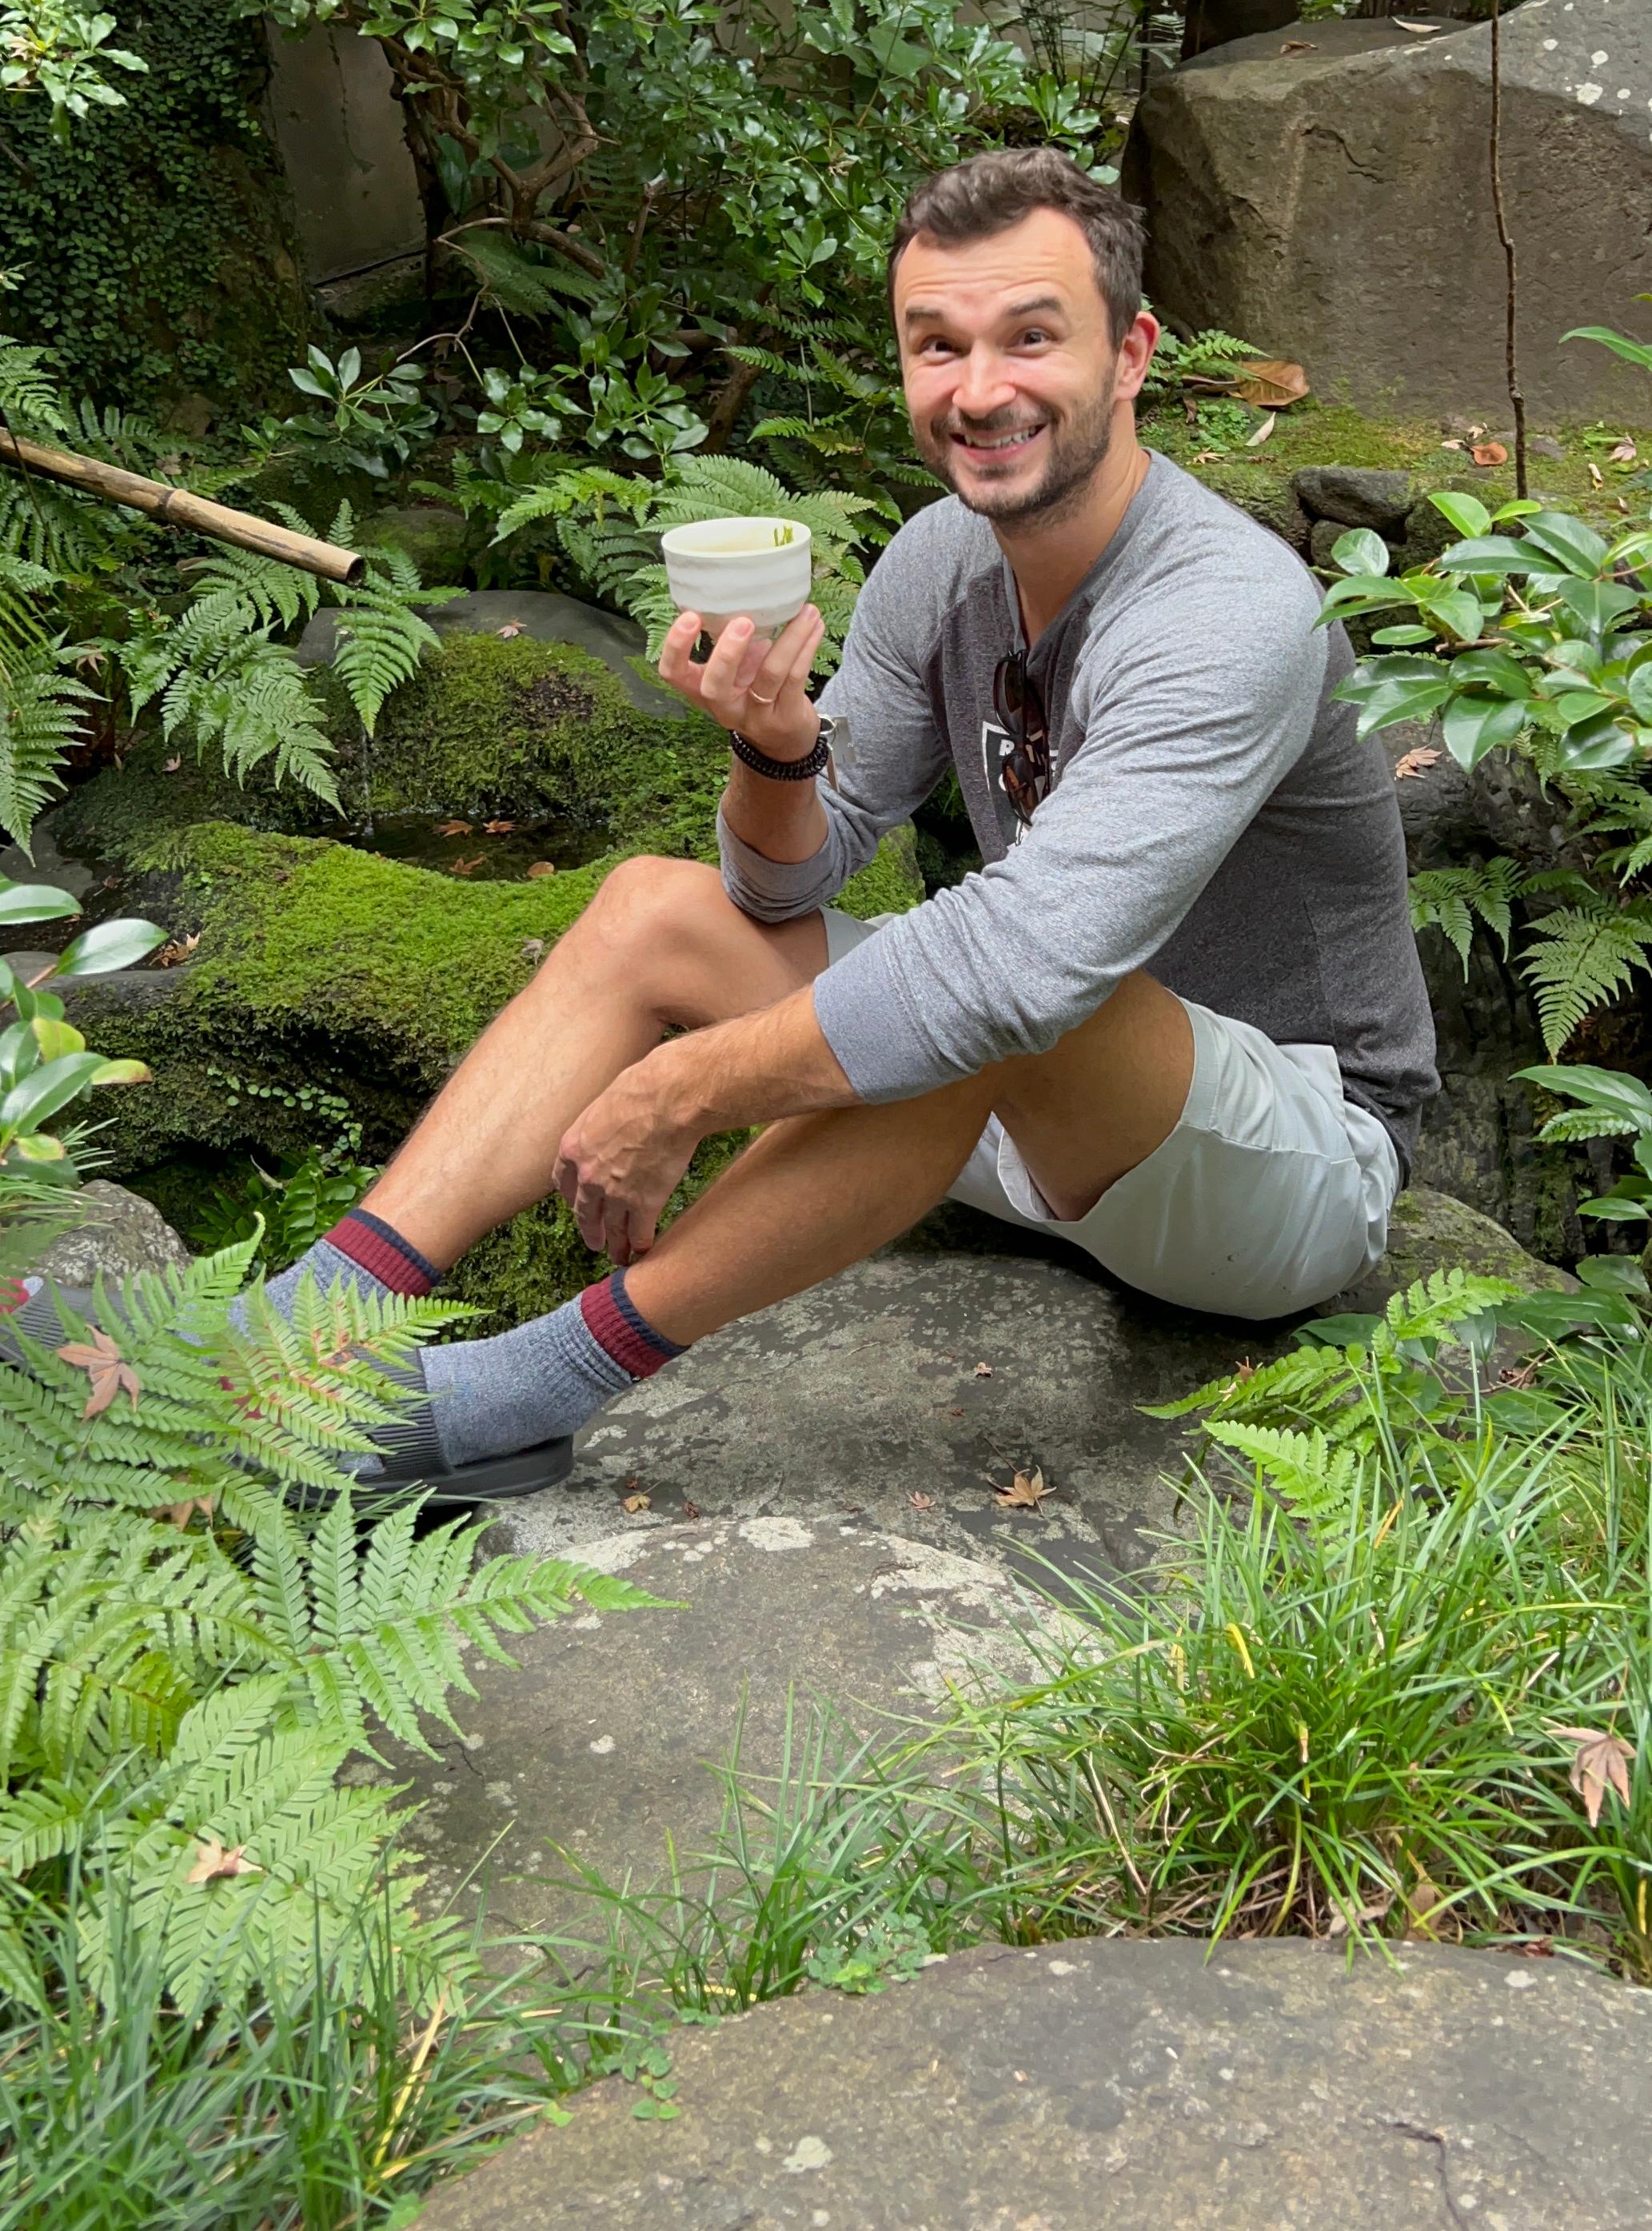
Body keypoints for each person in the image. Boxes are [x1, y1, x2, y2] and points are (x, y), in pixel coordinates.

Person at [4, 148, 1437, 1499]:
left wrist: (671, 1097)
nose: (979, 387)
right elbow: (780, 888)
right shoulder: (947, 558)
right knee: (651, 907)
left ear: (1127, 356)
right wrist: (776, 746)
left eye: (1029, 337)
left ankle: (507, 1398)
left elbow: (1010, 976)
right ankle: (294, 1333)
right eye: (937, 346)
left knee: (970, 995)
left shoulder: (1223, 608)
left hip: (1287, 1160)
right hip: (1037, 1131)